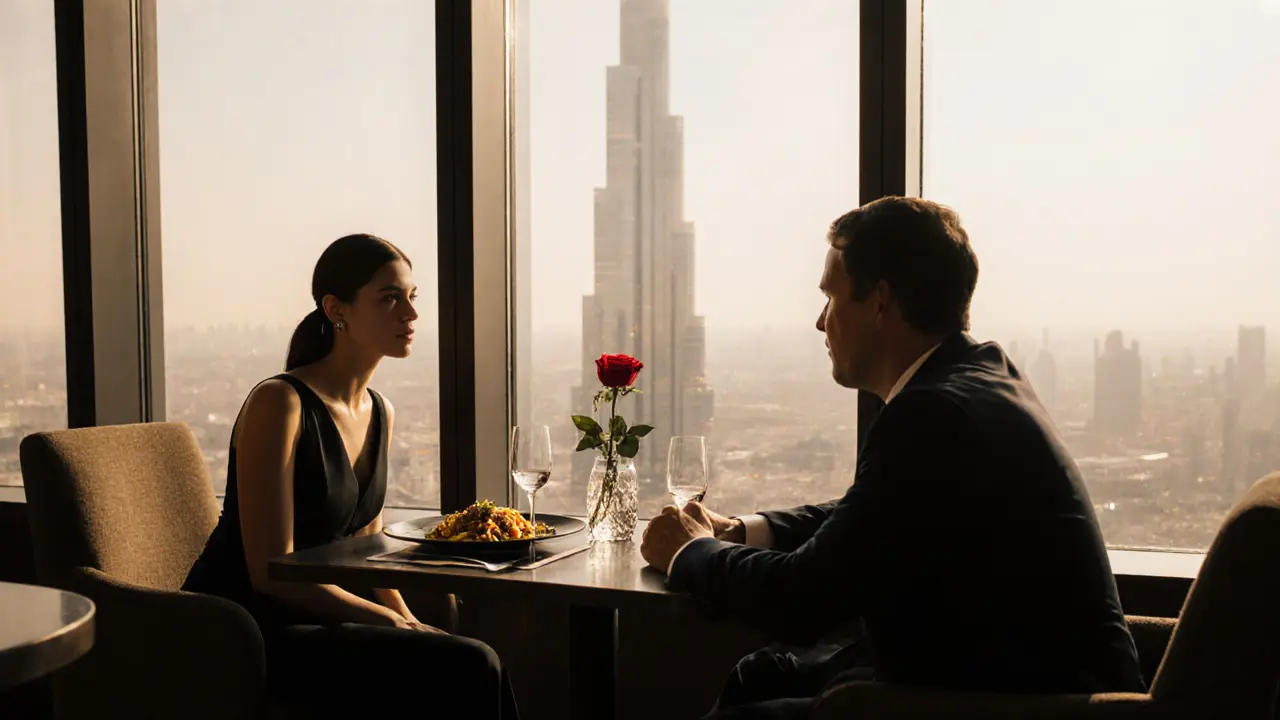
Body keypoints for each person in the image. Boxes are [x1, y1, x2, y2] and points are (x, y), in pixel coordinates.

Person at [640, 197, 1145, 719]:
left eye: (831, 298)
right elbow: (873, 513)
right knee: (759, 676)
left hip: (1019, 705)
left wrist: (689, 551)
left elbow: (801, 599)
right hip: (999, 675)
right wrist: (746, 530)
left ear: (879, 302)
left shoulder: (930, 412)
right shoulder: (981, 376)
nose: (820, 322)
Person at [184, 234, 519, 718]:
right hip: (248, 628)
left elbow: (367, 545)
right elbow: (270, 573)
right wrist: (389, 621)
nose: (411, 315)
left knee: (465, 655)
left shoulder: (380, 411)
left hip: (322, 616)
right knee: (473, 664)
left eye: (411, 297)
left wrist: (408, 620)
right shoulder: (280, 403)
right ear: (336, 309)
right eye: (389, 299)